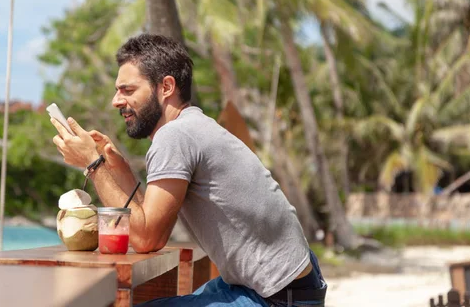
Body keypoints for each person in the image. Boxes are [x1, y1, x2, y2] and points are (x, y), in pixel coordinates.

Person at [50, 33, 327, 306]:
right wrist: (117, 167)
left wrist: (93, 164)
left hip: (278, 297)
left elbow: (147, 238)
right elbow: (147, 218)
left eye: (128, 90)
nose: (116, 100)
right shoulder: (192, 126)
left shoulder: (176, 136)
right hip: (295, 284)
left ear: (166, 87)